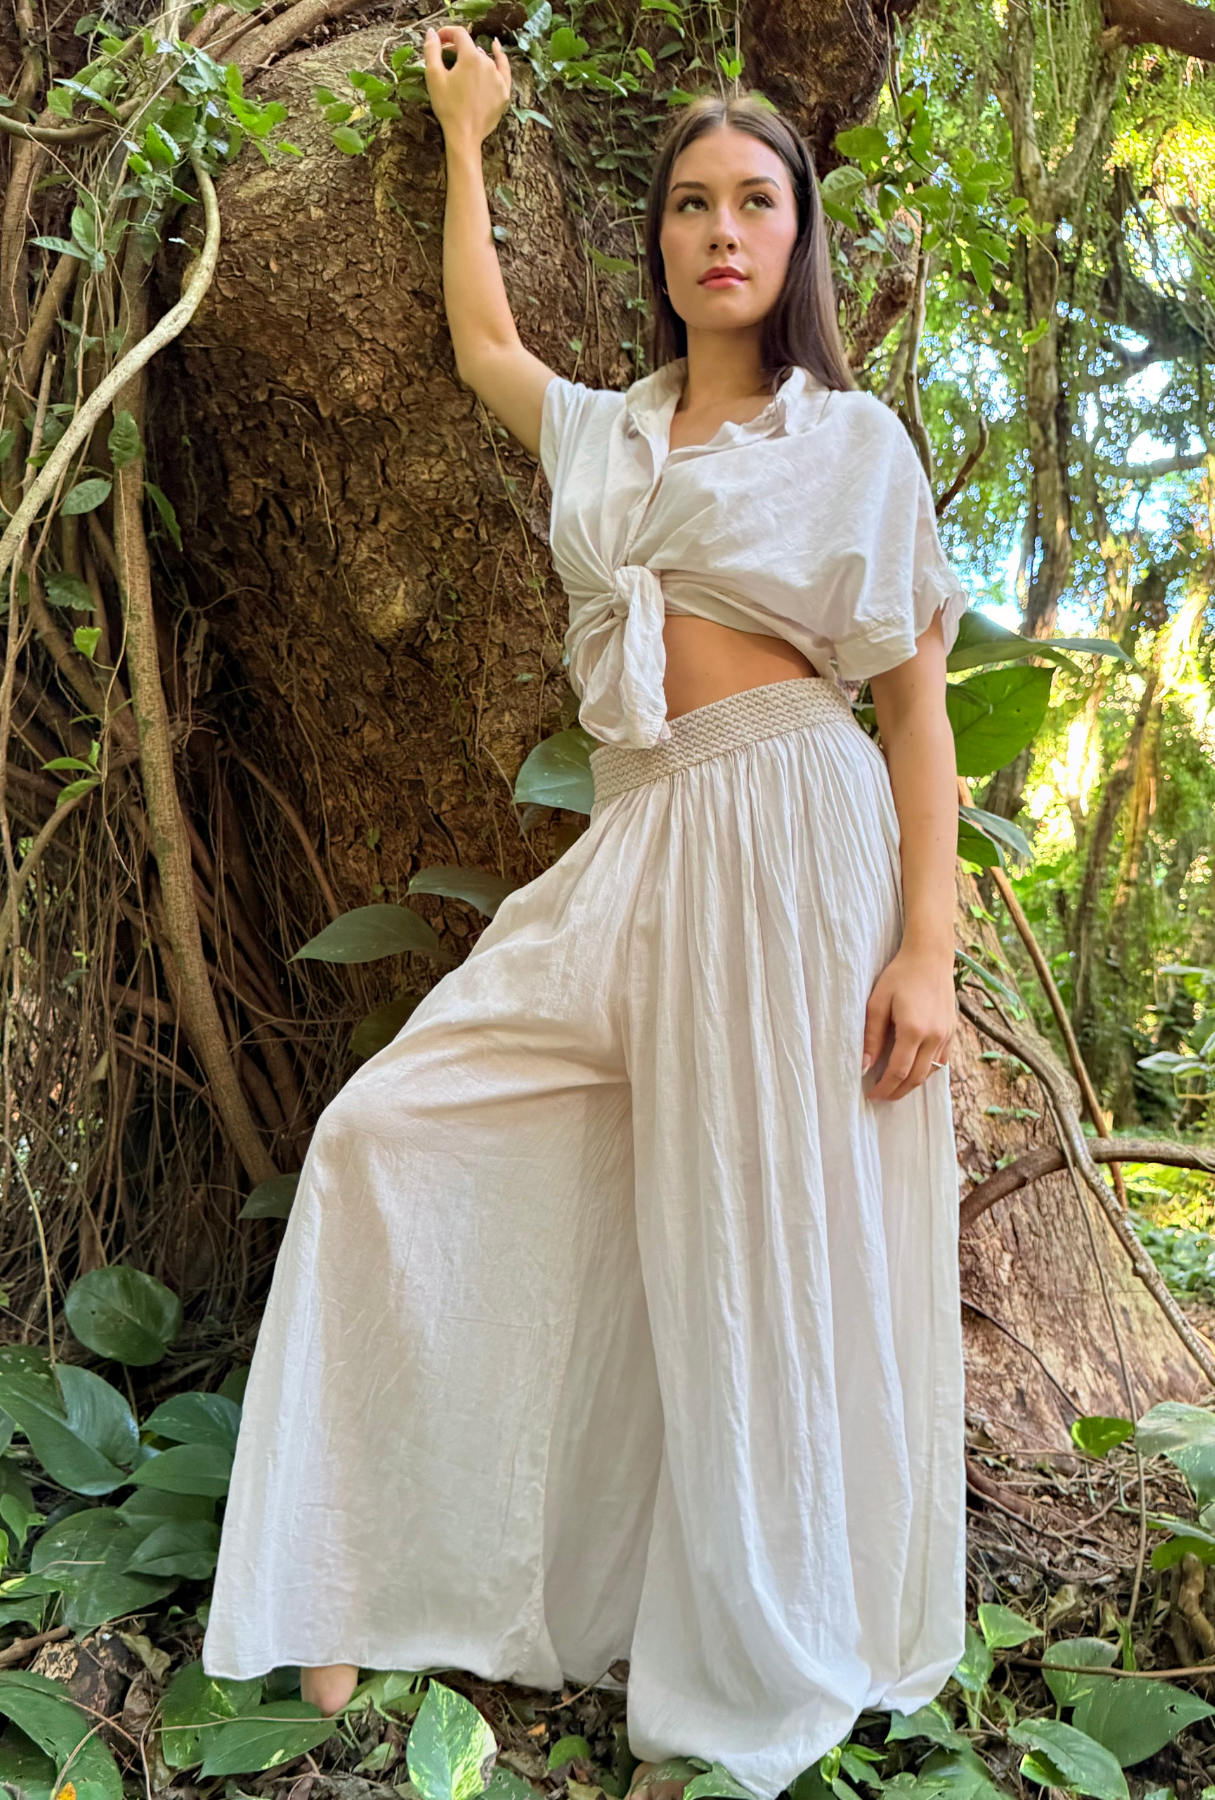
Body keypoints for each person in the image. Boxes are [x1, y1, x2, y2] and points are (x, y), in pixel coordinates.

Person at [203, 28, 968, 1800]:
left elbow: (915, 711)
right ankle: (352, 1569)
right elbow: (484, 344)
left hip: (788, 831)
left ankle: (753, 1659)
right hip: (632, 839)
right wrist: (466, 135)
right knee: (386, 1129)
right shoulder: (607, 431)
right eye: (690, 204)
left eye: (754, 202)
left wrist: (924, 947)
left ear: (796, 239)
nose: (721, 231)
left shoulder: (850, 442)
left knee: (757, 1235)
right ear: (658, 240)